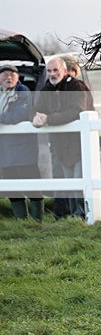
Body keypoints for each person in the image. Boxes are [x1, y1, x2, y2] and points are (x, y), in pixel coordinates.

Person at [32, 57, 94, 218]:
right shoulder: (47, 89)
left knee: (79, 180)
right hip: (60, 145)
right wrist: (36, 117)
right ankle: (74, 217)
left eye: (55, 70)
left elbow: (77, 111)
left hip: (79, 143)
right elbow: (37, 109)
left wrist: (49, 118)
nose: (52, 74)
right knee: (69, 182)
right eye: (49, 71)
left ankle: (83, 216)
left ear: (64, 70)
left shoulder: (77, 87)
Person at [0, 64, 44, 220]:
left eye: (12, 74)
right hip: (4, 150)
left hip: (24, 149)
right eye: (5, 75)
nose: (9, 78)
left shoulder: (23, 92)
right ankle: (22, 221)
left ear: (18, 77)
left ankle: (38, 221)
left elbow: (18, 115)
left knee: (32, 184)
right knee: (12, 187)